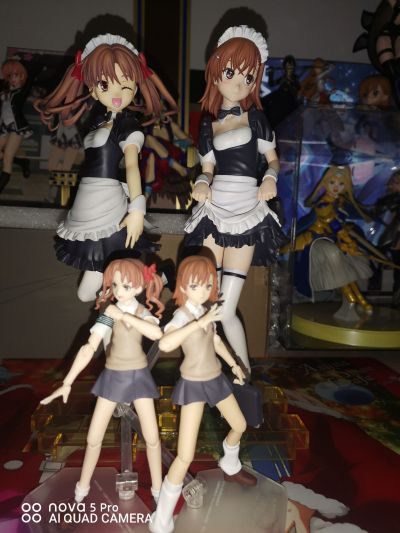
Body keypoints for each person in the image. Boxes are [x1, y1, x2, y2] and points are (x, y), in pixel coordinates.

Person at [35, 34, 172, 302]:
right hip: (89, 203)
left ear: (136, 86)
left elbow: (132, 165)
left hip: (110, 205)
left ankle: (154, 283)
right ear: (94, 89)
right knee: (89, 292)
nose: (117, 94)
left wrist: (137, 208)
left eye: (126, 84)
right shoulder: (99, 121)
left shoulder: (128, 126)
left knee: (107, 285)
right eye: (106, 84)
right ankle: (158, 279)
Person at [184, 25, 287, 372]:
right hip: (214, 209)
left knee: (226, 308)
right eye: (231, 72)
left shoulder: (256, 119)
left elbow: (273, 161)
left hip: (247, 210)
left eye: (249, 76)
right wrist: (201, 183)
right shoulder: (207, 126)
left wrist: (270, 178)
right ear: (215, 73)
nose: (240, 82)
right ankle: (204, 369)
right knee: (204, 300)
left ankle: (243, 373)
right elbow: (207, 168)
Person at [40, 258, 164, 503]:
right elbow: (90, 346)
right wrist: (68, 381)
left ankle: (159, 491)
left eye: (126, 286)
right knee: (93, 438)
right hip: (113, 376)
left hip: (138, 376)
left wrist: (123, 315)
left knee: (152, 438)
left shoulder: (141, 312)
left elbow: (156, 333)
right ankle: (82, 488)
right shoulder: (109, 314)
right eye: (115, 285)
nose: (119, 291)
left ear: (140, 286)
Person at [150, 256, 255, 533]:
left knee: (239, 425)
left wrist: (234, 363)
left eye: (208, 285)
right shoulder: (182, 315)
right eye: (196, 285)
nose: (203, 291)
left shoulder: (208, 310)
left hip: (216, 378)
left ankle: (229, 462)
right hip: (194, 384)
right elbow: (166, 343)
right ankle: (162, 516)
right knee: (185, 455)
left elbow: (215, 340)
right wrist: (199, 322)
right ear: (183, 286)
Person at [291, 165, 374, 312]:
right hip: (317, 240)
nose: (336, 187)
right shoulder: (323, 205)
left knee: (353, 259)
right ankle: (353, 298)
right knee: (335, 255)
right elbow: (335, 227)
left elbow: (349, 219)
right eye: (332, 182)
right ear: (325, 183)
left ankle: (358, 299)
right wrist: (347, 240)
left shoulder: (341, 202)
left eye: (341, 184)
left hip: (334, 239)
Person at [0, 59, 33, 192]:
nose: (13, 79)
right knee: (4, 155)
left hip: (17, 128)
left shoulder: (22, 91)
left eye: (16, 75)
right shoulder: (4, 90)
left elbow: (31, 76)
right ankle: (22, 162)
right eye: (10, 76)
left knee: (7, 158)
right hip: (4, 126)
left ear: (22, 76)